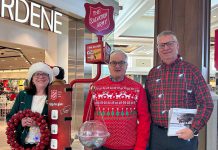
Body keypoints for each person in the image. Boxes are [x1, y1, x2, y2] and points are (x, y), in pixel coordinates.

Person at [146, 30, 214, 150]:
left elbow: (207, 103)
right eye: (162, 45)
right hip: (156, 136)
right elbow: (146, 104)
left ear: (177, 45)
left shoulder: (192, 71)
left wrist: (193, 129)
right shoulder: (153, 73)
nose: (166, 47)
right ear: (157, 48)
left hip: (183, 135)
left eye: (170, 43)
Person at [83, 50, 151, 150]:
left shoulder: (137, 88)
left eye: (121, 62)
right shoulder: (95, 87)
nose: (117, 66)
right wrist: (88, 143)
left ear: (127, 65)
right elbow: (87, 118)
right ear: (108, 65)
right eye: (113, 62)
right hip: (100, 146)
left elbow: (144, 120)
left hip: (129, 147)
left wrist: (140, 147)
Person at [6, 62, 53, 148]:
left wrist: (39, 123)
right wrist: (21, 123)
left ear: (49, 78)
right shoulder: (23, 95)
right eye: (37, 74)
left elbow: (58, 123)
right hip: (23, 144)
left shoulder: (54, 97)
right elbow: (10, 118)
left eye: (44, 74)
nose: (41, 77)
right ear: (32, 79)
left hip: (46, 145)